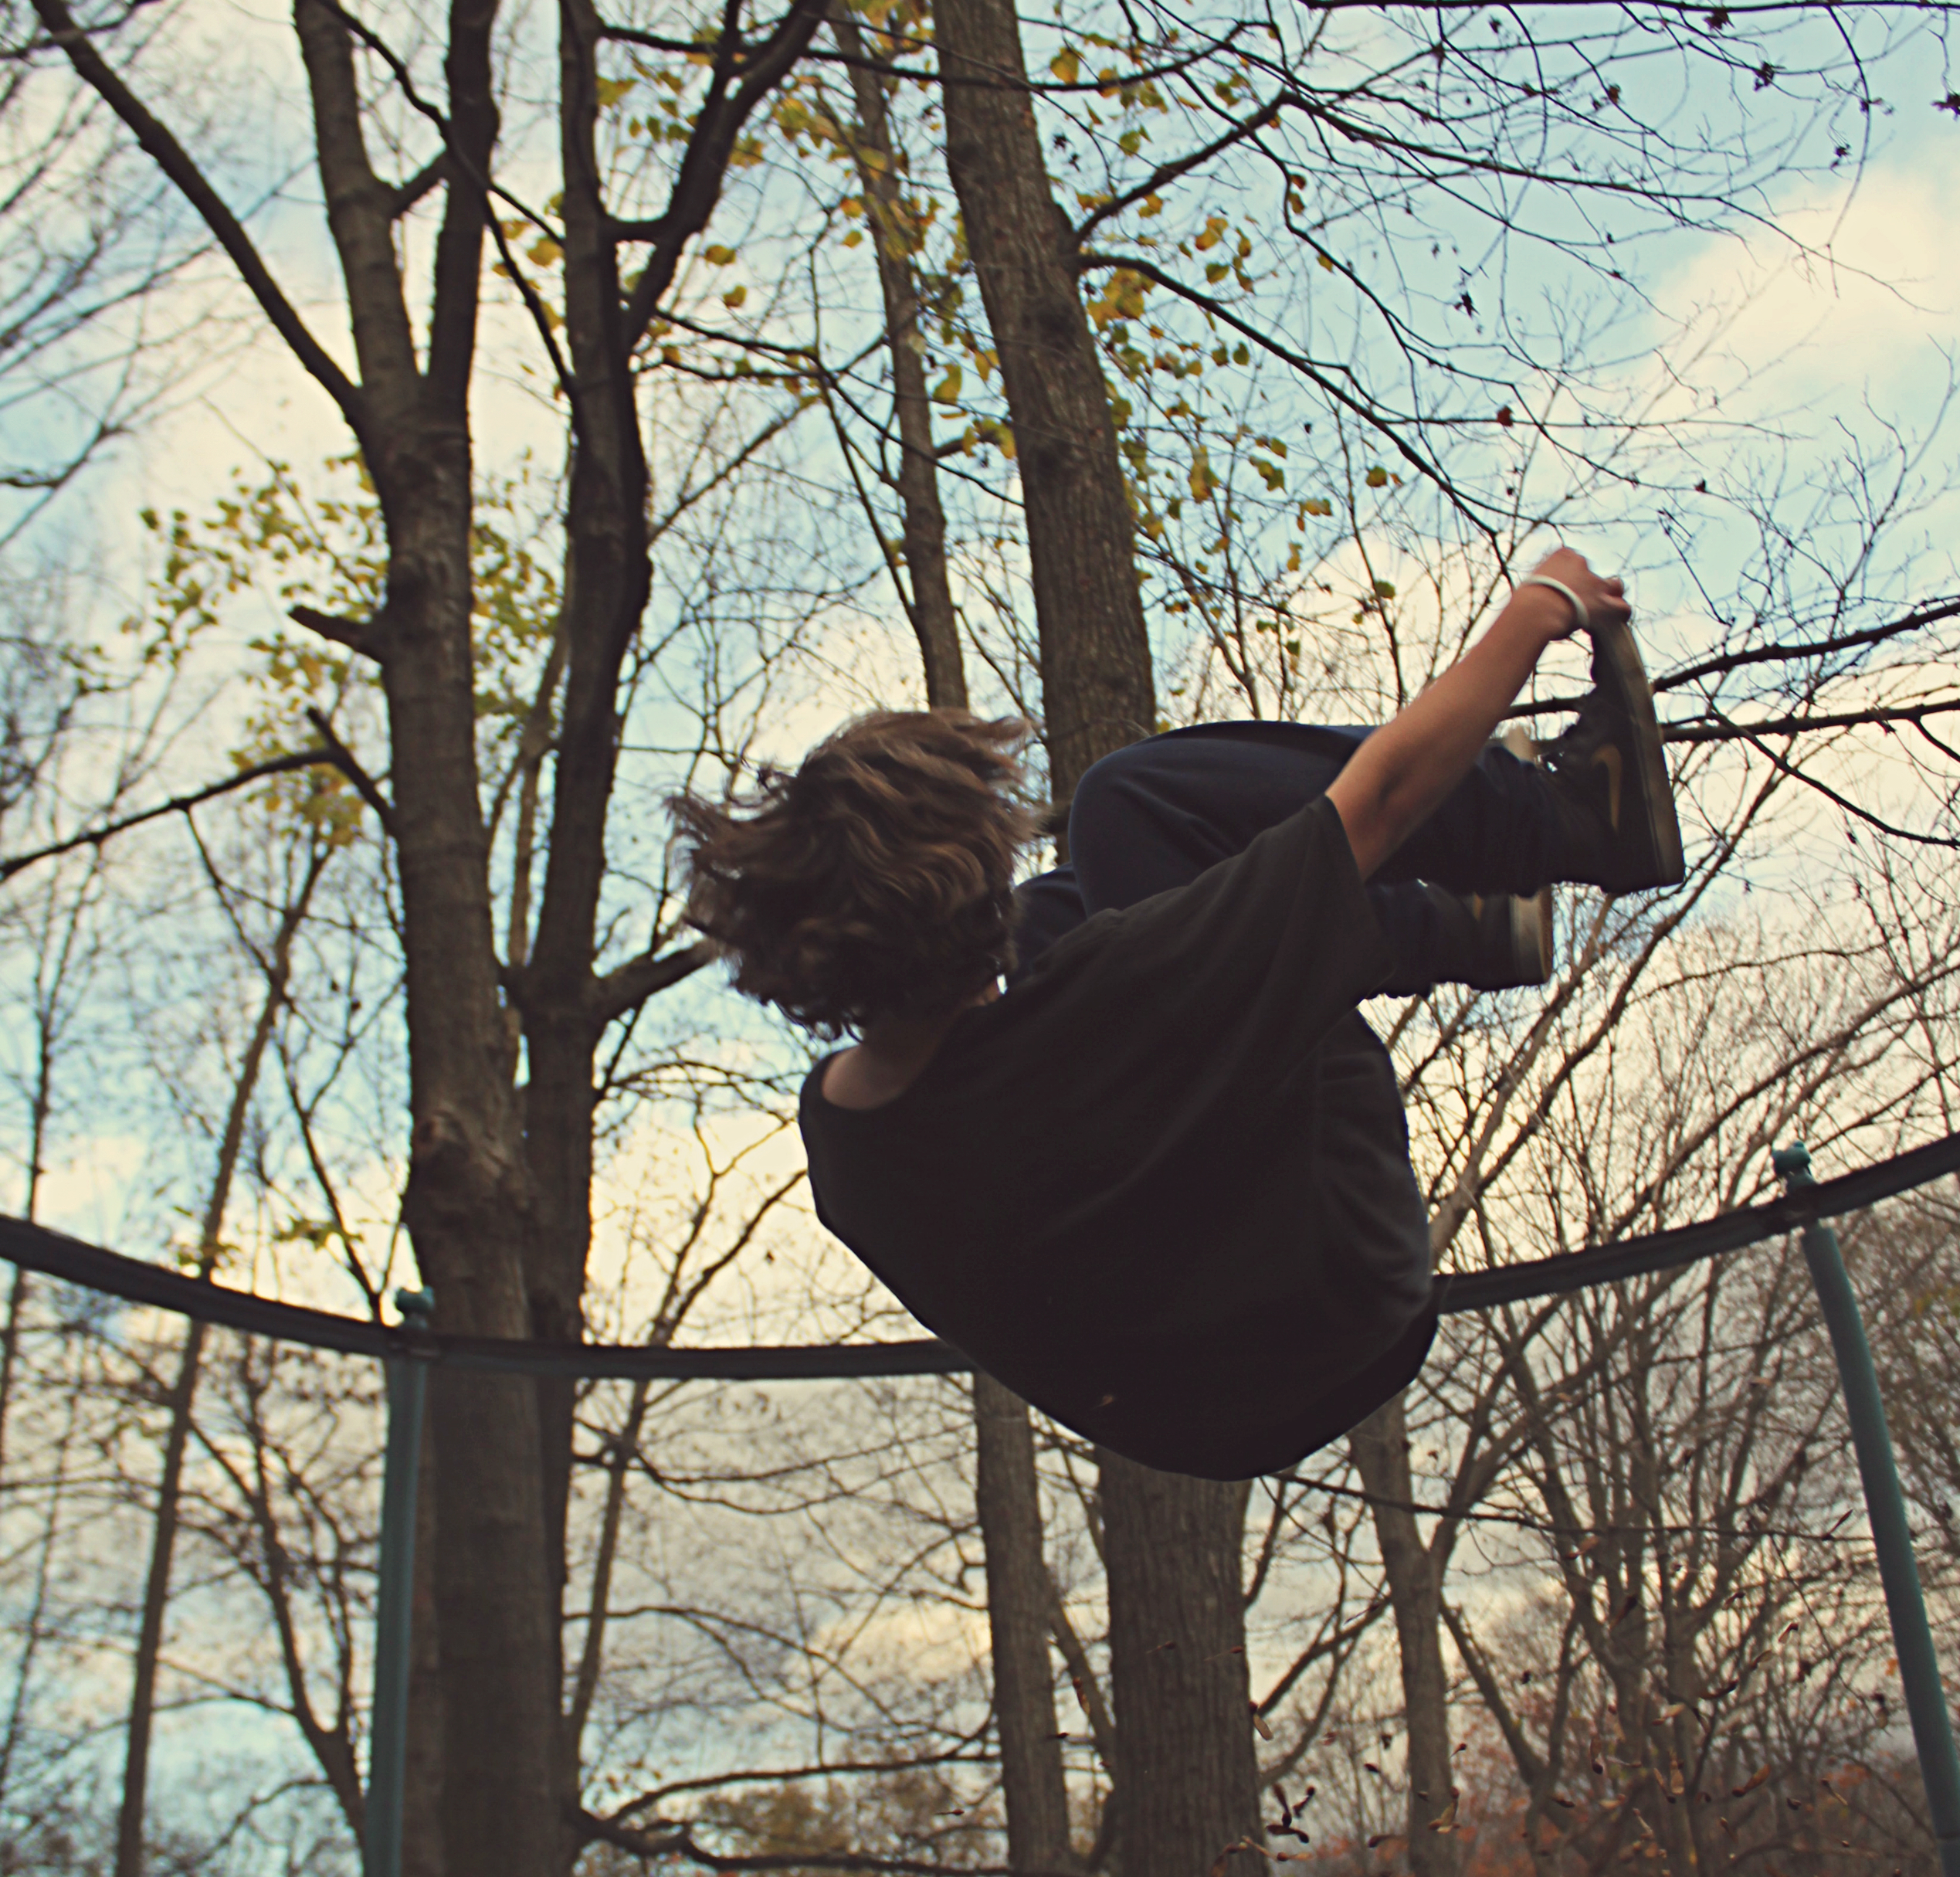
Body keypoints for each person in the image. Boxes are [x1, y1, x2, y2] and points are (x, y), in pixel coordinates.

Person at [677, 552, 1684, 1480]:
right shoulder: (1130, 994)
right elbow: (1379, 802)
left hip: (1185, 1418)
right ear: (968, 905)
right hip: (1352, 1293)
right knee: (1135, 807)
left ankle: (1465, 932)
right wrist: (1543, 605)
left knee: (1071, 910)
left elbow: (1036, 1051)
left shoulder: (842, 1139)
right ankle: (1580, 816)